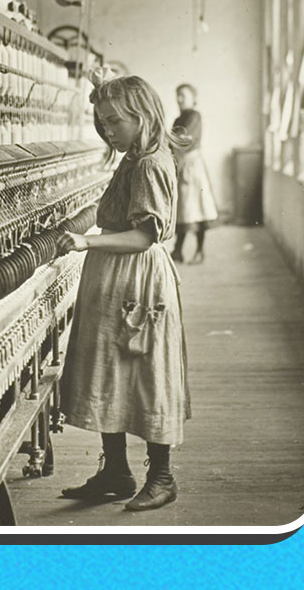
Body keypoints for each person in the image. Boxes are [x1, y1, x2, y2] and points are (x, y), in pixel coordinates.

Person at [56, 71, 191, 512]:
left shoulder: (150, 163)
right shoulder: (135, 156)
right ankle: (115, 471)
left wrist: (84, 241)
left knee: (147, 374)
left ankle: (162, 477)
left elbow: (143, 237)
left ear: (143, 116)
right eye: (102, 122)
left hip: (136, 278)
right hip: (116, 278)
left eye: (115, 121)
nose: (107, 131)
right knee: (109, 370)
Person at [170, 83, 219, 264]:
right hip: (182, 165)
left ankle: (199, 251)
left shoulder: (194, 117)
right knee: (184, 209)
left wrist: (169, 144)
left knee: (198, 209)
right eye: (178, 95)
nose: (179, 99)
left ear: (193, 98)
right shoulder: (178, 119)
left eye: (183, 95)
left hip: (192, 166)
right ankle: (178, 250)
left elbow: (183, 140)